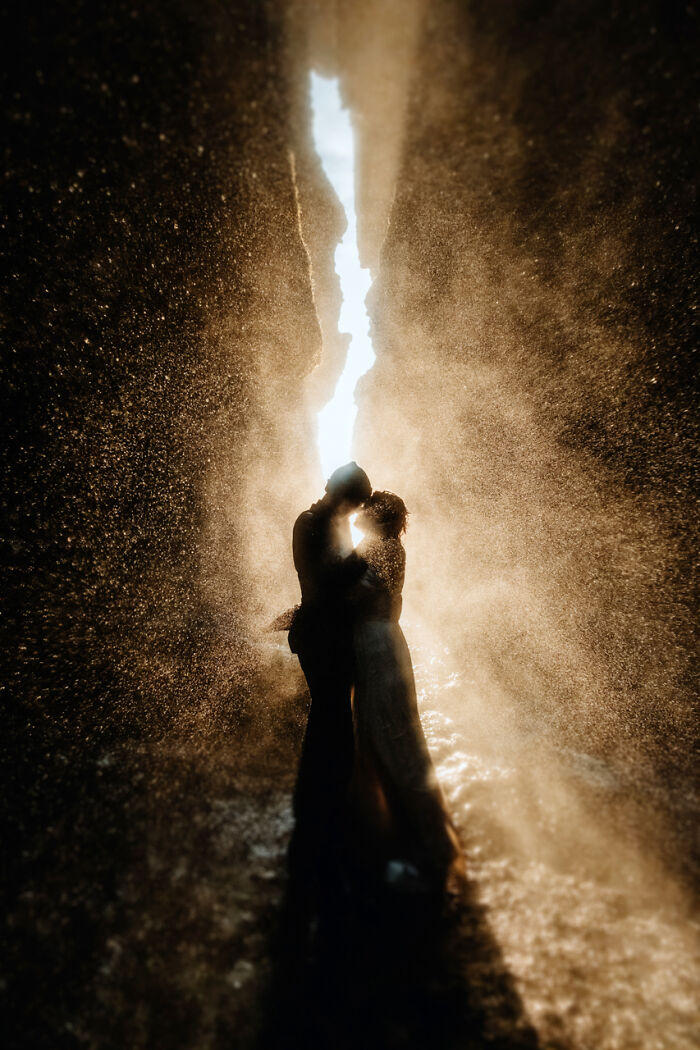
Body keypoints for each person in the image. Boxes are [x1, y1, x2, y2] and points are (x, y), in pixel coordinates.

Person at [348, 491, 464, 896]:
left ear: (379, 517)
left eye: (368, 507)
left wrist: (303, 612)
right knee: (380, 734)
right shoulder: (383, 545)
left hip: (379, 646)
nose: (359, 512)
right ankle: (390, 834)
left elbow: (354, 595)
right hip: (375, 642)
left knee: (392, 738)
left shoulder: (384, 549)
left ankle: (420, 844)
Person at [287, 461, 372, 887]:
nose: (354, 514)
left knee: (333, 709)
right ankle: (323, 800)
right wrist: (362, 563)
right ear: (340, 495)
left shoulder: (325, 521)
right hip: (321, 635)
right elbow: (320, 581)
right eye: (354, 505)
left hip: (330, 631)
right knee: (330, 709)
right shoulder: (310, 524)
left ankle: (323, 794)